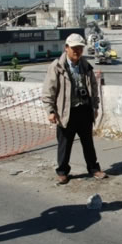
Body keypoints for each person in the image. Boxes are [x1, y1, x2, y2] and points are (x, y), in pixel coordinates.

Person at [42, 33, 107, 184]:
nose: (77, 51)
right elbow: (48, 91)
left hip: (84, 110)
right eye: (74, 48)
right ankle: (63, 171)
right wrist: (50, 111)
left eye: (80, 48)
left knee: (88, 142)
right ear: (66, 48)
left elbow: (94, 88)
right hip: (66, 111)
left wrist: (95, 106)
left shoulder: (86, 66)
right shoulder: (57, 66)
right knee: (65, 143)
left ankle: (94, 169)